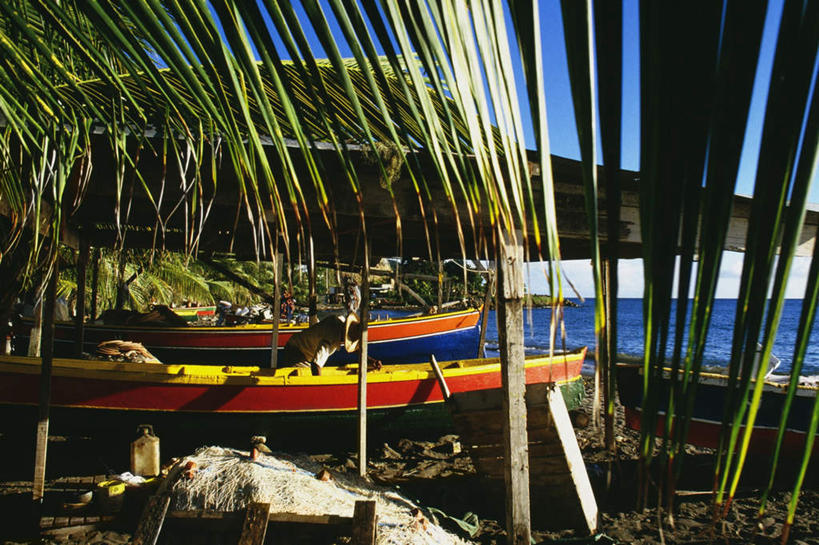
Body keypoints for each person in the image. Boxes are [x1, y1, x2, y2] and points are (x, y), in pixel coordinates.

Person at [278, 312, 381, 376]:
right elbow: (316, 365)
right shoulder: (330, 341)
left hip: (298, 346)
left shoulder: (338, 321)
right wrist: (321, 388)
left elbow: (356, 350)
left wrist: (370, 361)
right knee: (302, 378)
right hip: (296, 352)